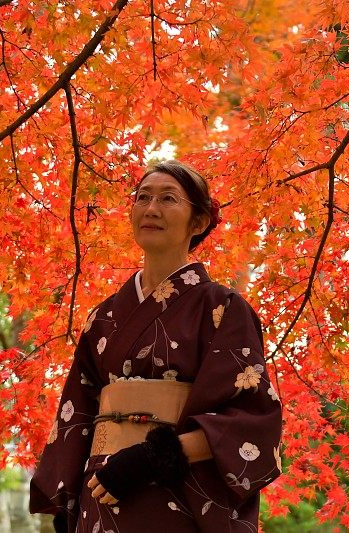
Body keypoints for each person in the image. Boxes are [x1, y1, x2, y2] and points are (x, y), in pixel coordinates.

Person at [29, 160, 284, 532]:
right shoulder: (103, 317)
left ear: (198, 223)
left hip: (178, 495)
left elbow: (253, 420)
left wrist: (156, 456)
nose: (151, 209)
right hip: (101, 495)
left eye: (168, 199)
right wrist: (67, 505)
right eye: (143, 198)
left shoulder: (222, 308)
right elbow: (76, 414)